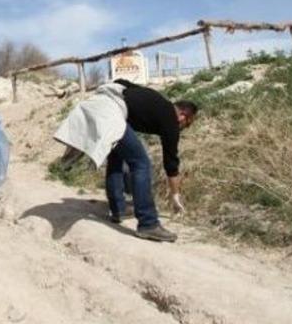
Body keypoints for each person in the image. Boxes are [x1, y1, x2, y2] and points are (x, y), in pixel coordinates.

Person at [54, 79, 198, 242]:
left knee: (116, 157)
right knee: (141, 163)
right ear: (182, 116)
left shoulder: (156, 100)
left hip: (97, 105)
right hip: (110, 113)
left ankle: (118, 210)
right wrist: (175, 194)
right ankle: (148, 224)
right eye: (186, 124)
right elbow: (171, 164)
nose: (182, 128)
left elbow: (121, 81)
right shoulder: (170, 119)